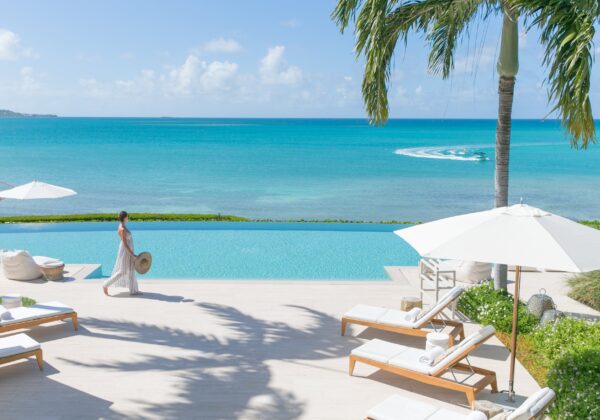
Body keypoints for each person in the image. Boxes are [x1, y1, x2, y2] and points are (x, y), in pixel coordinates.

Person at [103, 211, 141, 296]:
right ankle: (105, 285)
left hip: (128, 250)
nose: (128, 217)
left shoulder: (123, 226)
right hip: (125, 252)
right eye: (127, 216)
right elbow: (125, 243)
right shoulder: (122, 229)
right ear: (124, 217)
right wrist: (132, 254)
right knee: (122, 271)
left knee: (131, 270)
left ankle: (133, 290)